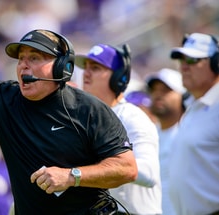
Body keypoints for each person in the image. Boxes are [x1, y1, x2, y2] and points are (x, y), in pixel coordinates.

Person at [0, 3, 138, 214]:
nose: (23, 66)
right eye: (21, 59)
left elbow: (127, 168)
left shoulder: (90, 109)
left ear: (62, 67)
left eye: (34, 58)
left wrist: (71, 176)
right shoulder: (5, 98)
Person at [75, 43, 162, 215]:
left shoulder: (132, 117)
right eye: (86, 67)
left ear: (119, 78)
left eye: (96, 67)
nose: (86, 73)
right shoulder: (86, 121)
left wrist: (102, 168)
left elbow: (149, 173)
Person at [168, 32, 219, 215]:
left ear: (216, 63)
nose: (183, 67)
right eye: (181, 60)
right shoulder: (192, 107)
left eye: (192, 60)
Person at [146, 68, 186, 215]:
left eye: (166, 90)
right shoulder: (149, 133)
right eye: (154, 90)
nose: (158, 94)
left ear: (183, 96)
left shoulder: (188, 133)